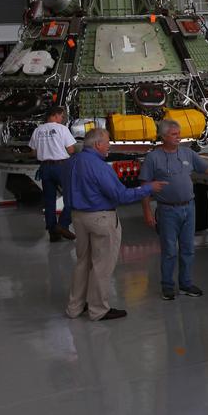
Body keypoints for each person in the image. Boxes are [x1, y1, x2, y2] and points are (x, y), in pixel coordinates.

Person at [68, 127, 166, 321]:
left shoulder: (73, 162)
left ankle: (75, 307)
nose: (109, 146)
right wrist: (148, 188)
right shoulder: (100, 167)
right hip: (100, 219)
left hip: (78, 217)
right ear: (97, 144)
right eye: (107, 142)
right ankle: (98, 310)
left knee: (82, 262)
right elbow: (120, 195)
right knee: (102, 265)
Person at [140, 119, 208, 300]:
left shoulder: (187, 153)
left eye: (179, 134)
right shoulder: (153, 158)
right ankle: (167, 286)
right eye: (174, 134)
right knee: (169, 251)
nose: (178, 137)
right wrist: (147, 211)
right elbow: (145, 186)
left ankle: (186, 284)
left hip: (188, 208)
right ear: (163, 136)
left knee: (188, 249)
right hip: (167, 211)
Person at [28, 105, 78, 242]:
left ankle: (53, 232)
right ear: (55, 115)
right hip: (61, 167)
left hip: (45, 167)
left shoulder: (38, 130)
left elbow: (33, 152)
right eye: (62, 116)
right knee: (73, 195)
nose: (62, 119)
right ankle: (62, 225)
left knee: (49, 200)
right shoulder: (62, 129)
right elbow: (71, 150)